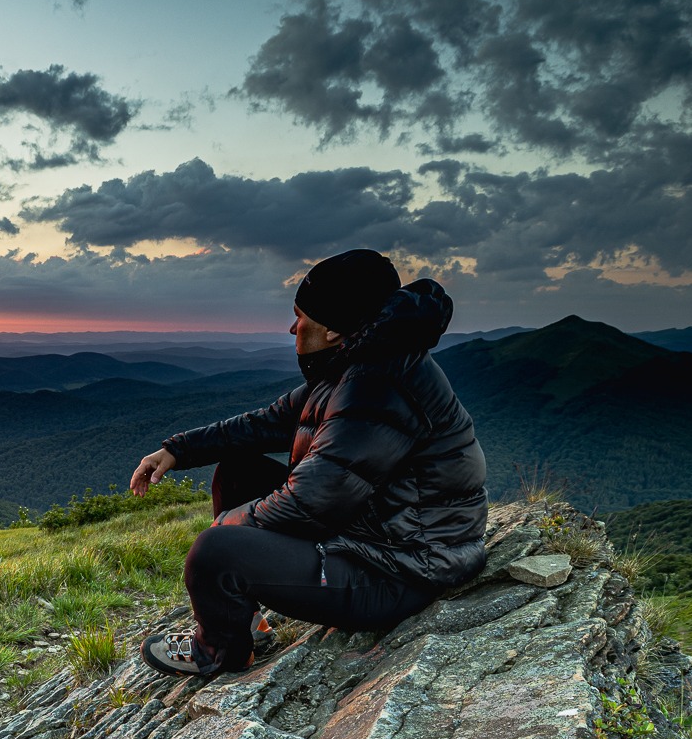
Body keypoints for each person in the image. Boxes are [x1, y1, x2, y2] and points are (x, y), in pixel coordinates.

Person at [131, 249, 488, 677]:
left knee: (213, 552)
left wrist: (226, 527)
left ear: (334, 329)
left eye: (300, 316)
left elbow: (310, 502)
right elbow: (268, 422)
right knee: (238, 471)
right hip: (382, 533)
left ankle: (218, 652)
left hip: (402, 572)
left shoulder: (376, 387)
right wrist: (178, 450)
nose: (292, 327)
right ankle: (245, 620)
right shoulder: (358, 362)